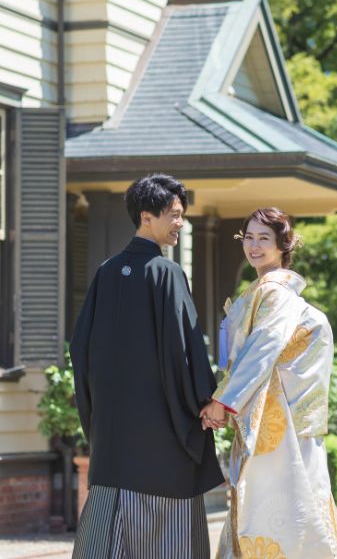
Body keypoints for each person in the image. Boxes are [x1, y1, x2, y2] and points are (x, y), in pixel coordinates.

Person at [70, 173, 224, 559]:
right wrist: (205, 398)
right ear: (146, 217)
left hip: (113, 437)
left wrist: (97, 415)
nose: (180, 223)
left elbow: (80, 349)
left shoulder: (107, 271)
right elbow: (184, 348)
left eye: (181, 215)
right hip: (161, 433)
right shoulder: (166, 273)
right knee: (171, 539)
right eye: (173, 214)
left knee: (107, 540)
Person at [201, 207, 337, 559]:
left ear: (283, 244)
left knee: (273, 510)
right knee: (288, 506)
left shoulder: (276, 293)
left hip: (278, 420)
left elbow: (261, 349)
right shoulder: (266, 291)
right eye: (248, 237)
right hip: (279, 415)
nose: (253, 246)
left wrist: (223, 400)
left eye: (263, 238)